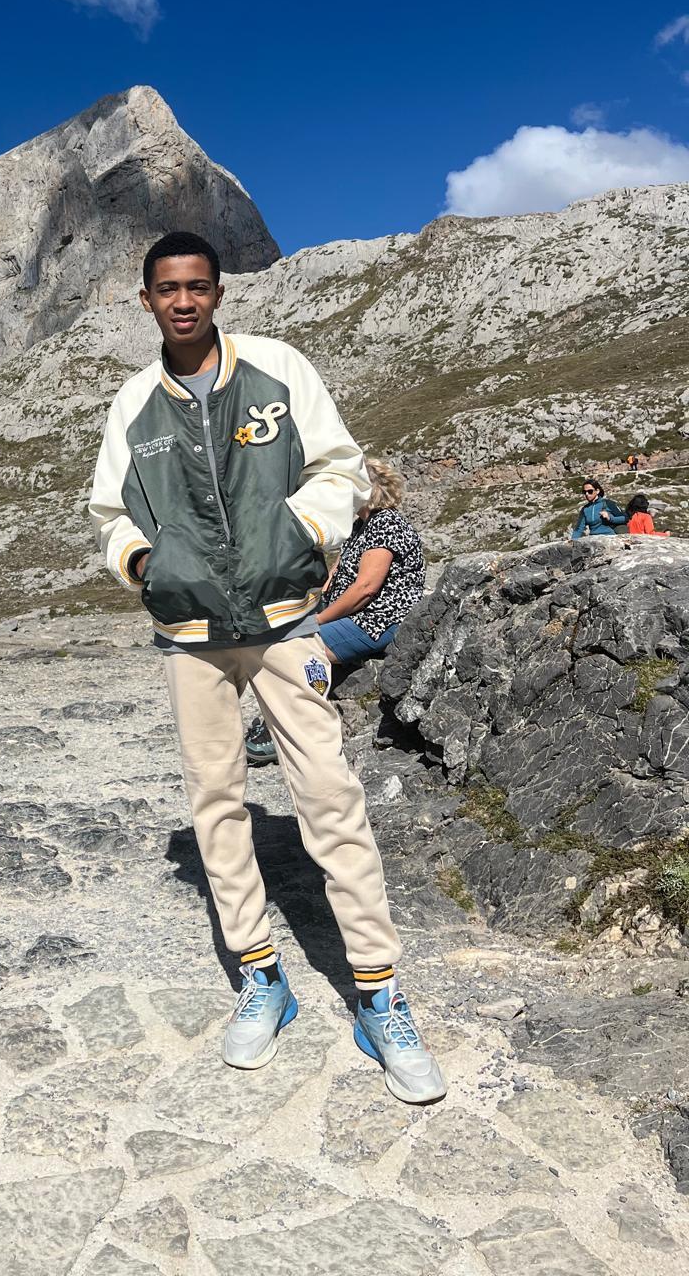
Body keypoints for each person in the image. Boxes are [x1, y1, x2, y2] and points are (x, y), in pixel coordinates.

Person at [89, 230, 445, 1103]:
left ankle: (379, 994)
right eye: (167, 289)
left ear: (218, 293)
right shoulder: (134, 404)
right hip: (190, 635)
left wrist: (300, 537)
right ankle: (262, 979)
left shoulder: (281, 368)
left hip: (289, 626)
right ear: (146, 300)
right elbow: (109, 512)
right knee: (216, 801)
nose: (183, 301)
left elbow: (341, 468)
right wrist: (148, 566)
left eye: (198, 287)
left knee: (328, 794)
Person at [316, 458, 425, 665]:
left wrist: (319, 620)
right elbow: (336, 571)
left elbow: (366, 588)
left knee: (299, 646)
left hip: (376, 620)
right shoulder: (360, 525)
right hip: (355, 615)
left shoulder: (386, 523)